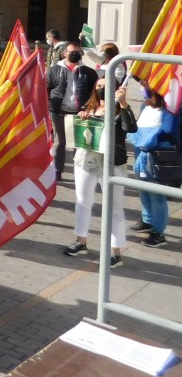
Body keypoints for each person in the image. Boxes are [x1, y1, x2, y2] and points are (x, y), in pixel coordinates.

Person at [64, 79, 134, 266]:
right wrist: (82, 117)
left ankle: (115, 251)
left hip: (112, 163)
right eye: (99, 85)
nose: (101, 88)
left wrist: (124, 103)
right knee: (82, 202)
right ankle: (81, 241)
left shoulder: (119, 109)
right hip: (86, 159)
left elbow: (131, 128)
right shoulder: (90, 107)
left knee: (114, 207)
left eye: (106, 85)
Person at [129, 84, 181, 247]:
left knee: (156, 193)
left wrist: (147, 141)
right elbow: (135, 126)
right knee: (143, 188)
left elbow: (168, 131)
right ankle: (147, 220)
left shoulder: (171, 109)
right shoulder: (145, 106)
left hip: (156, 154)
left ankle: (158, 232)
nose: (144, 92)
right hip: (141, 152)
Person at [46, 40, 96, 182]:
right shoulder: (54, 70)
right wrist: (50, 105)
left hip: (78, 112)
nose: (74, 55)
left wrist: (87, 109)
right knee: (59, 142)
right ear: (64, 54)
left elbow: (94, 93)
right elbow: (46, 89)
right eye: (71, 52)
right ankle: (57, 170)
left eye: (77, 52)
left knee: (78, 143)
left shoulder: (88, 72)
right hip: (58, 111)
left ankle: (78, 170)